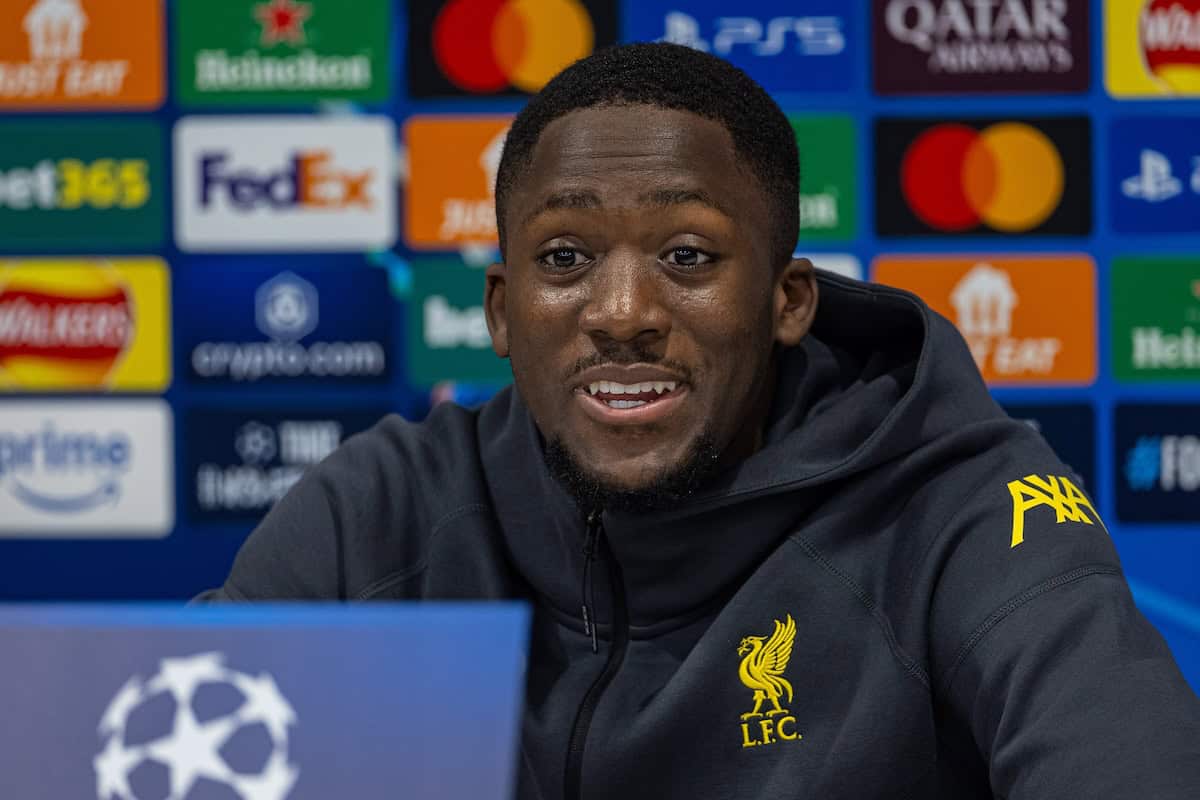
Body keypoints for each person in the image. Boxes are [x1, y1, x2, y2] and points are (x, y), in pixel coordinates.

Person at [199, 43, 1200, 798]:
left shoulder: (960, 505)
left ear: (786, 300)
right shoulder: (379, 514)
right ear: (501, 312)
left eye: (686, 254)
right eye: (563, 259)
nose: (622, 311)